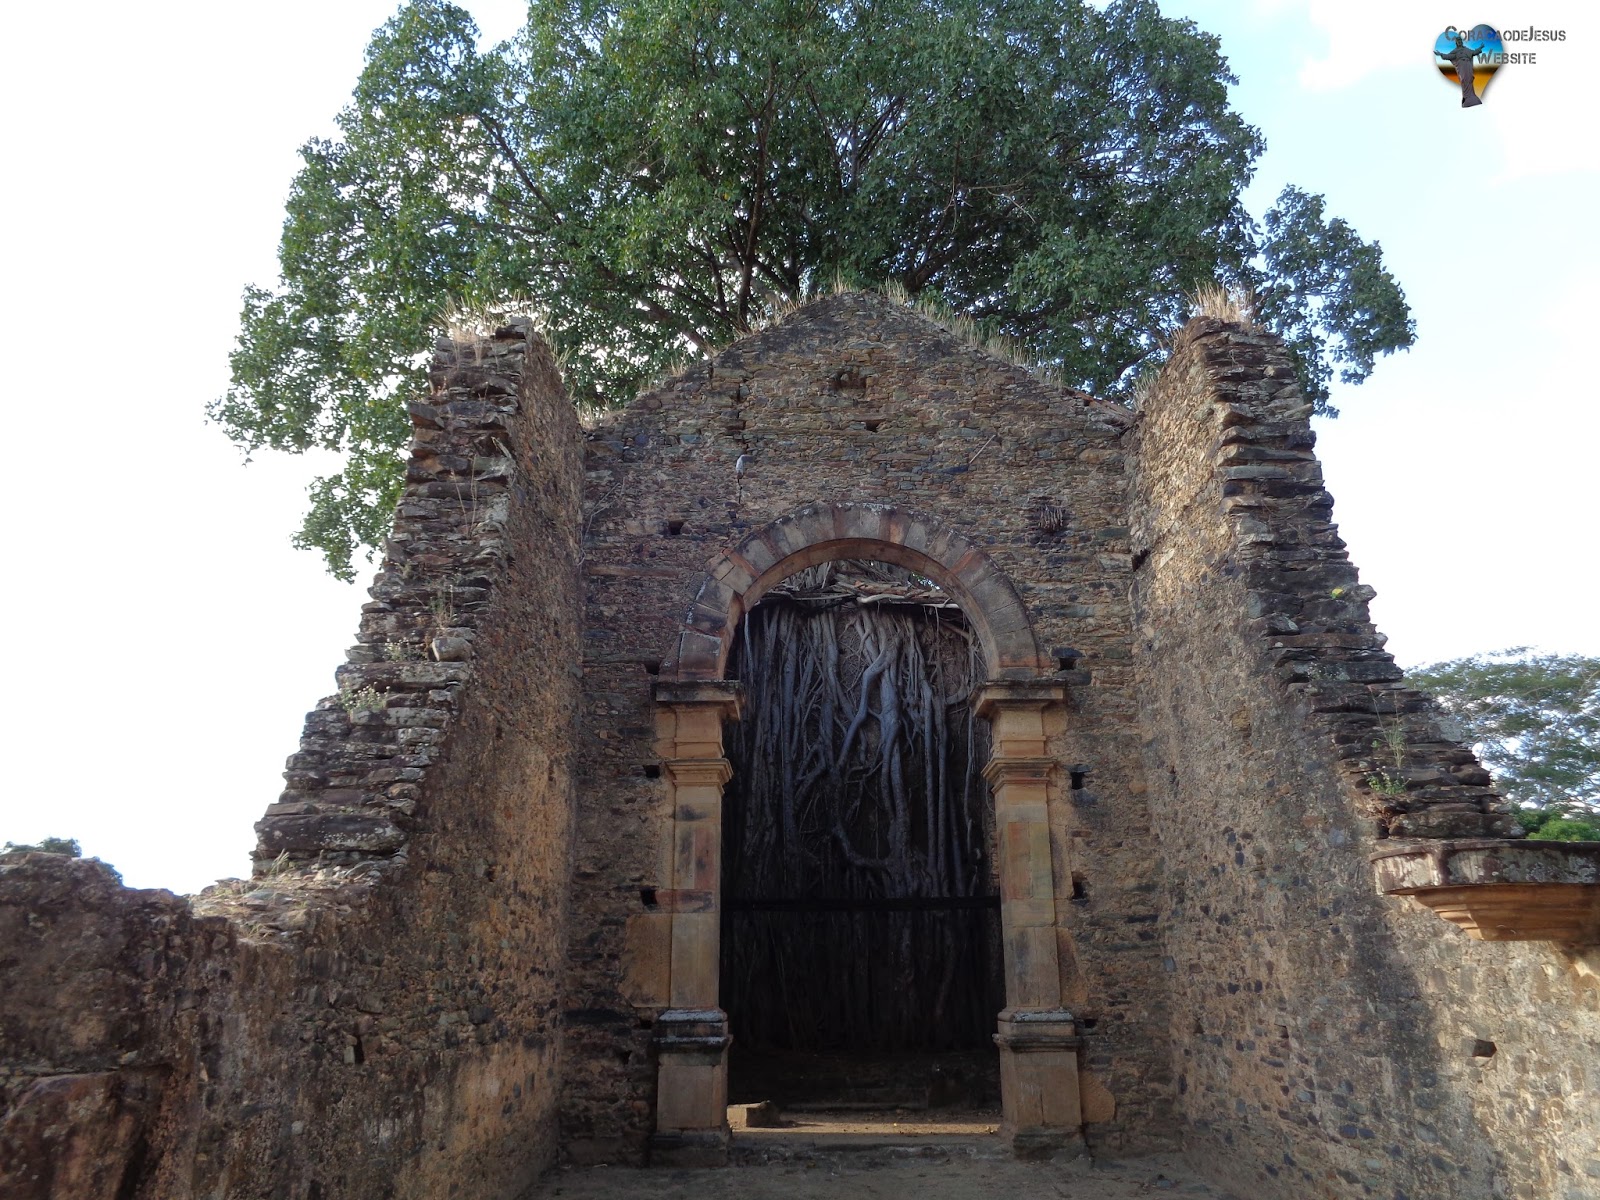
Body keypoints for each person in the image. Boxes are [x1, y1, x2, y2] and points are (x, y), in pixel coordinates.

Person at [1437, 29, 1487, 107]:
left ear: (1462, 42)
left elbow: (1474, 52)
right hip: (1461, 66)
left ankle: (1472, 96)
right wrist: (1441, 54)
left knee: (1469, 78)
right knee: (1464, 79)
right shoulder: (1455, 51)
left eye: (1460, 41)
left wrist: (1480, 47)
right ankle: (1466, 97)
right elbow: (1448, 56)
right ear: (1456, 43)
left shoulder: (1466, 49)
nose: (1459, 42)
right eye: (1458, 41)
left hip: (1468, 65)